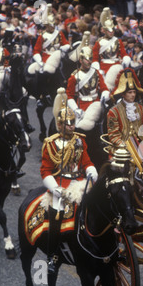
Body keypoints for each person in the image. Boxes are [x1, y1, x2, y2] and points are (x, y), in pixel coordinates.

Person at [40, 90, 98, 274]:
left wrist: (91, 170)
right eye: (68, 124)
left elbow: (87, 161)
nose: (72, 127)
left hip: (80, 182)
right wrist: (54, 188)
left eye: (73, 123)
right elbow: (45, 171)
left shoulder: (80, 141)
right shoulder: (50, 143)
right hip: (60, 185)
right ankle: (52, 254)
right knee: (56, 212)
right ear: (59, 125)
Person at [107, 68, 143, 149]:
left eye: (134, 92)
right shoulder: (113, 112)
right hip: (122, 148)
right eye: (129, 92)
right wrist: (125, 146)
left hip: (141, 146)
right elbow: (113, 135)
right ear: (123, 94)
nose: (133, 95)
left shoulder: (141, 109)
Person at [28, 4, 70, 75]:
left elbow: (66, 44)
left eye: (54, 24)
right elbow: (36, 51)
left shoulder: (59, 33)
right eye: (51, 25)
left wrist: (62, 48)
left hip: (58, 57)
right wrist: (40, 61)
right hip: (46, 59)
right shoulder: (42, 36)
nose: (53, 27)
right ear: (47, 25)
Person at [92, 7, 127, 77]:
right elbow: (95, 58)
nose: (111, 32)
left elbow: (123, 53)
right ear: (104, 31)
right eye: (109, 31)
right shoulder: (99, 42)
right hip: (104, 66)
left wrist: (126, 59)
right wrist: (97, 67)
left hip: (117, 66)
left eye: (112, 30)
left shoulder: (118, 41)